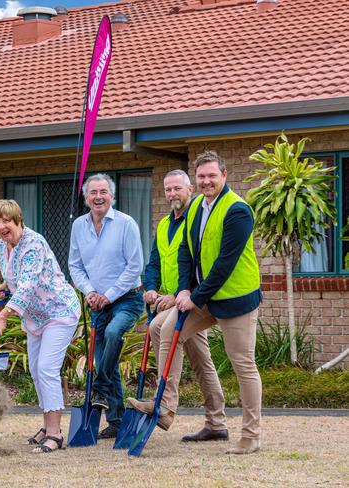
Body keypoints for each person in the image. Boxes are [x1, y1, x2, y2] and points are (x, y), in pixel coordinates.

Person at [130, 151, 262, 455]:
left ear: (224, 176)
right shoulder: (195, 210)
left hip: (235, 299)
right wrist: (184, 291)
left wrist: (193, 296)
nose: (206, 181)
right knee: (162, 327)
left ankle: (251, 435)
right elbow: (185, 254)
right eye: (201, 176)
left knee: (243, 364)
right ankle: (164, 406)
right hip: (203, 296)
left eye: (211, 176)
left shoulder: (237, 210)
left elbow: (225, 265)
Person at [140, 169, 228, 441]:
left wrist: (179, 293)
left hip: (189, 299)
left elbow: (193, 263)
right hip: (171, 300)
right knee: (203, 363)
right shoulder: (165, 224)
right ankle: (217, 423)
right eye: (168, 190)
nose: (172, 194)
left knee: (159, 329)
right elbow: (154, 261)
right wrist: (152, 288)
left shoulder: (196, 219)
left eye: (178, 188)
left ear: (190, 189)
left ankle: (165, 403)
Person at [0, 199, 79, 453]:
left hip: (59, 311)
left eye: (7, 220)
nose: (2, 226)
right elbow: (15, 276)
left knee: (46, 368)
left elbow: (28, 283)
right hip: (35, 316)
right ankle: (46, 425)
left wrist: (5, 315)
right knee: (37, 372)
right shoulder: (1, 246)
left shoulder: (34, 243)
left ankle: (55, 435)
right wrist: (5, 287)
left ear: (18, 219)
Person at [68, 173, 145, 439]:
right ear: (86, 197)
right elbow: (75, 265)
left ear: (112, 196)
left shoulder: (126, 224)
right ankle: (116, 420)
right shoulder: (79, 226)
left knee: (114, 334)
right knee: (105, 360)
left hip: (127, 298)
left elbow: (135, 266)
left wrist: (108, 295)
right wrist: (89, 292)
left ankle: (99, 387)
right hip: (96, 302)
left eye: (103, 192)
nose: (98, 197)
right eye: (93, 192)